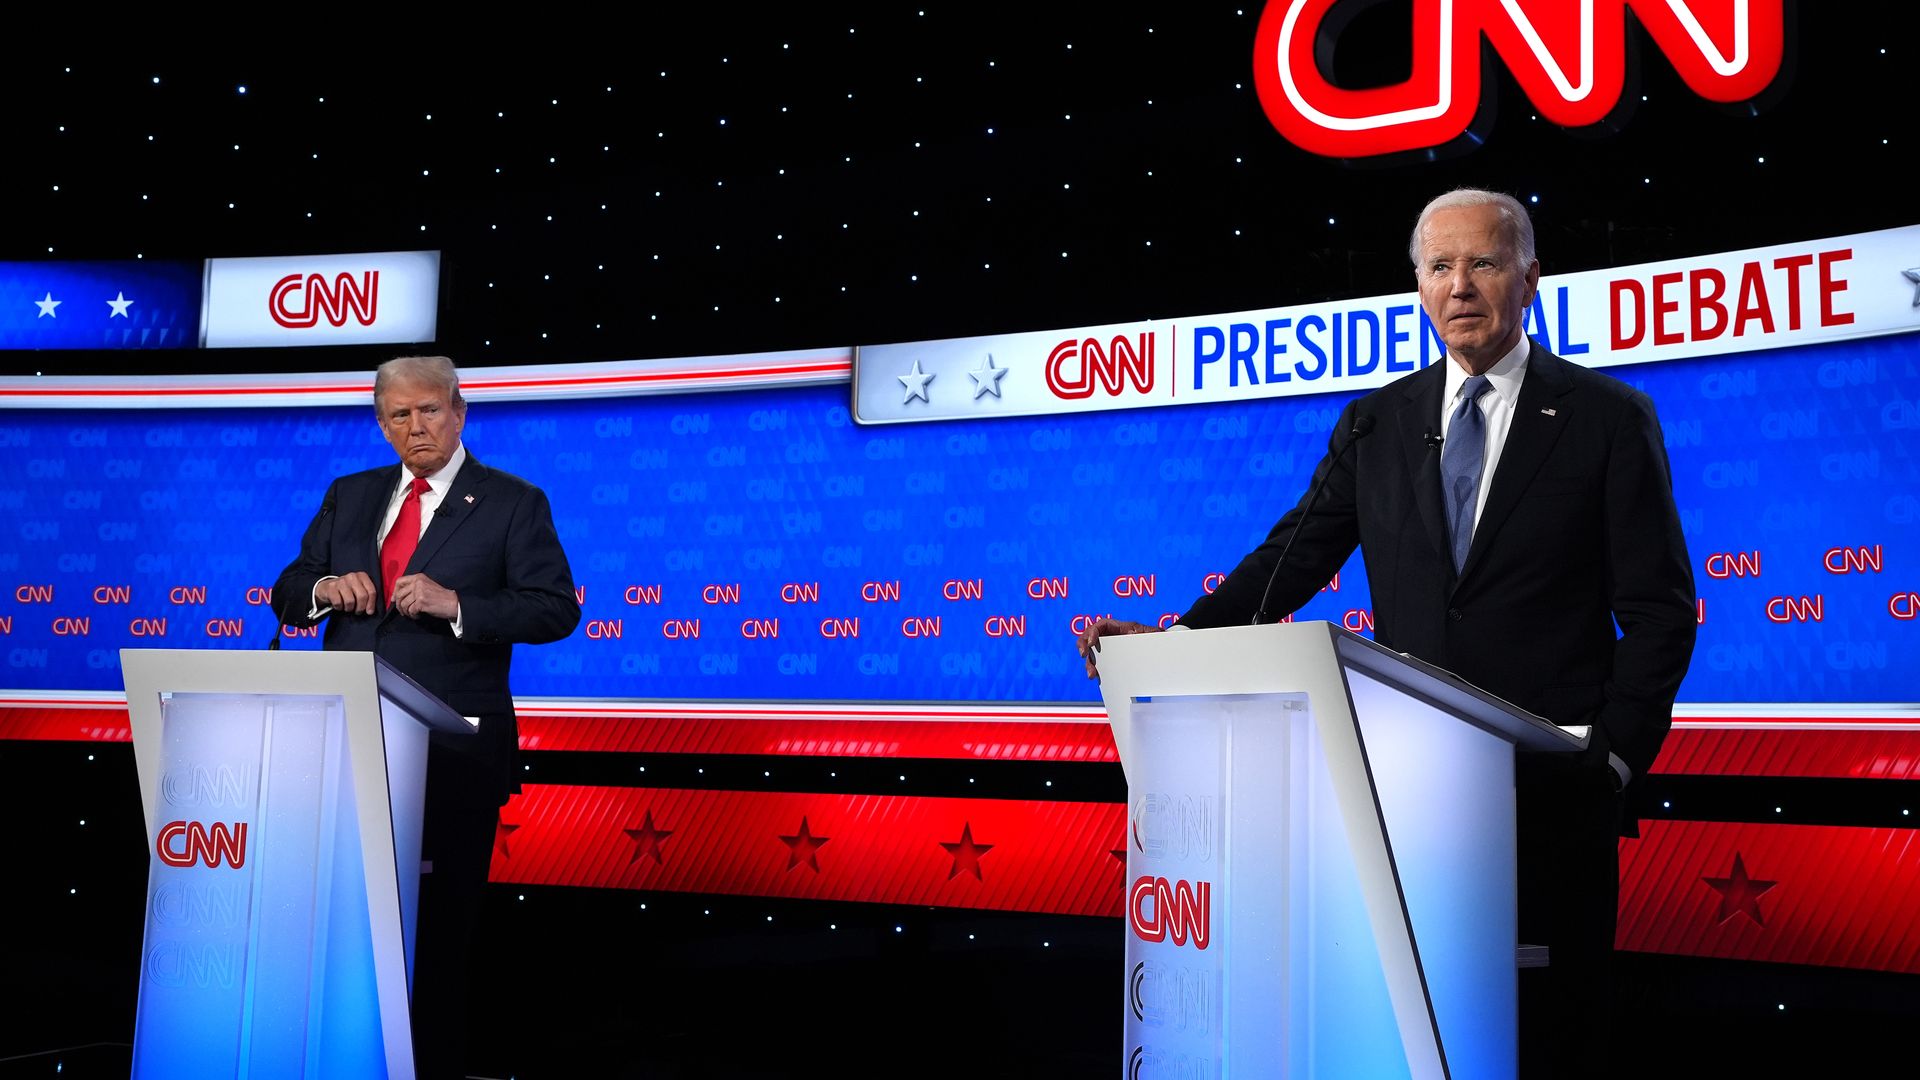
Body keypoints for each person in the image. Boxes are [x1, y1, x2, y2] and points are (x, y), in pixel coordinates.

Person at [1077, 189, 1696, 1077]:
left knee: (1552, 1037)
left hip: (1553, 801)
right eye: (1439, 267)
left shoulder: (1605, 417)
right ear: (1417, 285)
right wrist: (1174, 642)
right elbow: (1290, 560)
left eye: (1482, 263)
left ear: (1529, 279)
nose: (1461, 287)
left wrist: (1614, 759)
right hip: (1406, 796)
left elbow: (1661, 611)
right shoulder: (1377, 420)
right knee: (1418, 1032)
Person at [272, 354, 580, 1078]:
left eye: (430, 410)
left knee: (438, 941)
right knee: (343, 933)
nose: (417, 427)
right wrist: (322, 587)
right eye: (400, 416)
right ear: (382, 426)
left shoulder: (510, 500)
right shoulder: (350, 495)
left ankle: (430, 1066)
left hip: (453, 755)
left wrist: (459, 606)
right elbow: (286, 590)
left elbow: (556, 607)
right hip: (347, 747)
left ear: (459, 412)